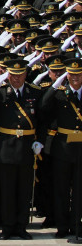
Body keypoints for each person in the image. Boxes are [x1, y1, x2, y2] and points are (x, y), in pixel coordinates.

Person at [0, 59, 41, 240]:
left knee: (24, 191)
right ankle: (7, 227)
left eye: (20, 75)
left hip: (26, 147)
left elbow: (43, 118)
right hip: (6, 147)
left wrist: (40, 141)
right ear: (8, 75)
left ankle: (21, 227)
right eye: (13, 75)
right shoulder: (0, 93)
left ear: (25, 74)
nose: (17, 79)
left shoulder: (34, 92)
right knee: (7, 191)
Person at [40, 58, 82, 238]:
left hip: (81, 148)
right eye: (71, 74)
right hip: (63, 146)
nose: (75, 78)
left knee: (80, 190)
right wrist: (55, 85)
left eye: (78, 74)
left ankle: (77, 225)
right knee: (61, 189)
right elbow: (43, 106)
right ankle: (63, 226)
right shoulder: (60, 93)